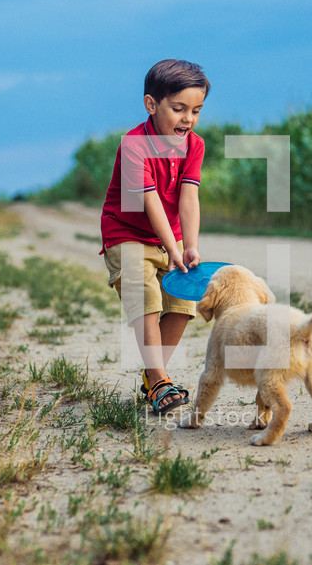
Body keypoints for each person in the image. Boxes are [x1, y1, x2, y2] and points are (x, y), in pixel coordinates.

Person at [100, 59, 210, 415]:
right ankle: (160, 380)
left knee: (182, 303)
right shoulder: (135, 145)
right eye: (178, 109)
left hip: (169, 238)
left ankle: (153, 379)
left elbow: (188, 197)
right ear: (152, 104)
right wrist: (171, 246)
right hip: (126, 234)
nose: (187, 119)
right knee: (146, 297)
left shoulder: (194, 146)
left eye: (196, 110)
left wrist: (189, 246)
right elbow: (149, 202)